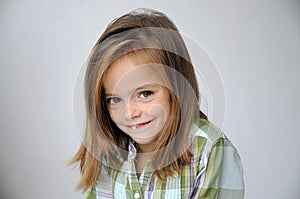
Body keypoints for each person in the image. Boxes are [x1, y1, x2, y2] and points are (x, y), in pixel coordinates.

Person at [70, 8, 244, 199]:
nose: (130, 113)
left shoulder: (209, 150)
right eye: (114, 100)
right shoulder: (109, 151)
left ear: (176, 87)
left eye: (145, 94)